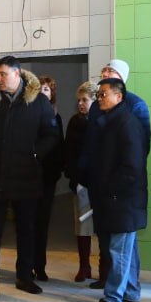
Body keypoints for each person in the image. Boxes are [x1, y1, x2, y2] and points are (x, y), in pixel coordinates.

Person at [0, 56, 62, 299]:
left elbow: (52, 134)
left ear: (17, 74)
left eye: (3, 74)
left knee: (26, 230)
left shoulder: (38, 101)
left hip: (26, 177)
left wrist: (35, 154)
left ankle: (24, 277)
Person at [84, 59, 151, 291]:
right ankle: (126, 290)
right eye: (103, 71)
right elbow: (92, 144)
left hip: (120, 191)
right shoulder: (100, 109)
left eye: (110, 71)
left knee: (121, 247)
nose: (105, 74)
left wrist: (112, 184)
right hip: (103, 185)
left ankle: (116, 295)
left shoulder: (133, 111)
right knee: (114, 244)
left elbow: (137, 154)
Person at [32, 76, 65, 282]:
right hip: (28, 178)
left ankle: (40, 266)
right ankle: (27, 265)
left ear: (52, 94)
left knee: (42, 223)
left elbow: (58, 147)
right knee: (27, 224)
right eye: (39, 89)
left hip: (47, 179)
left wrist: (55, 172)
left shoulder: (56, 117)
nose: (42, 93)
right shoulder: (28, 114)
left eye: (46, 89)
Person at [64, 82, 96, 282]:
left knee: (103, 228)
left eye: (85, 100)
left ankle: (105, 267)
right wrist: (74, 178)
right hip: (81, 183)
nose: (81, 104)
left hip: (99, 183)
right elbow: (69, 151)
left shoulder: (101, 120)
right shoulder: (75, 122)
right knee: (82, 227)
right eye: (79, 100)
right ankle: (84, 266)